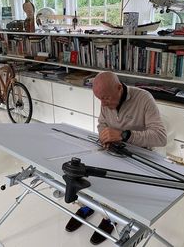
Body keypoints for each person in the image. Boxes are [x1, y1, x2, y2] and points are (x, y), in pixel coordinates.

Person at [65, 71, 167, 245]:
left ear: (119, 88)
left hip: (138, 155)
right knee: (90, 174)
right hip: (113, 149)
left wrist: (125, 135)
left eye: (106, 98)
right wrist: (103, 136)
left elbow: (160, 137)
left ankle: (110, 218)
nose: (103, 103)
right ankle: (87, 206)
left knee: (118, 186)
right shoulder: (106, 98)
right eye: (99, 99)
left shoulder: (144, 99)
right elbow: (102, 124)